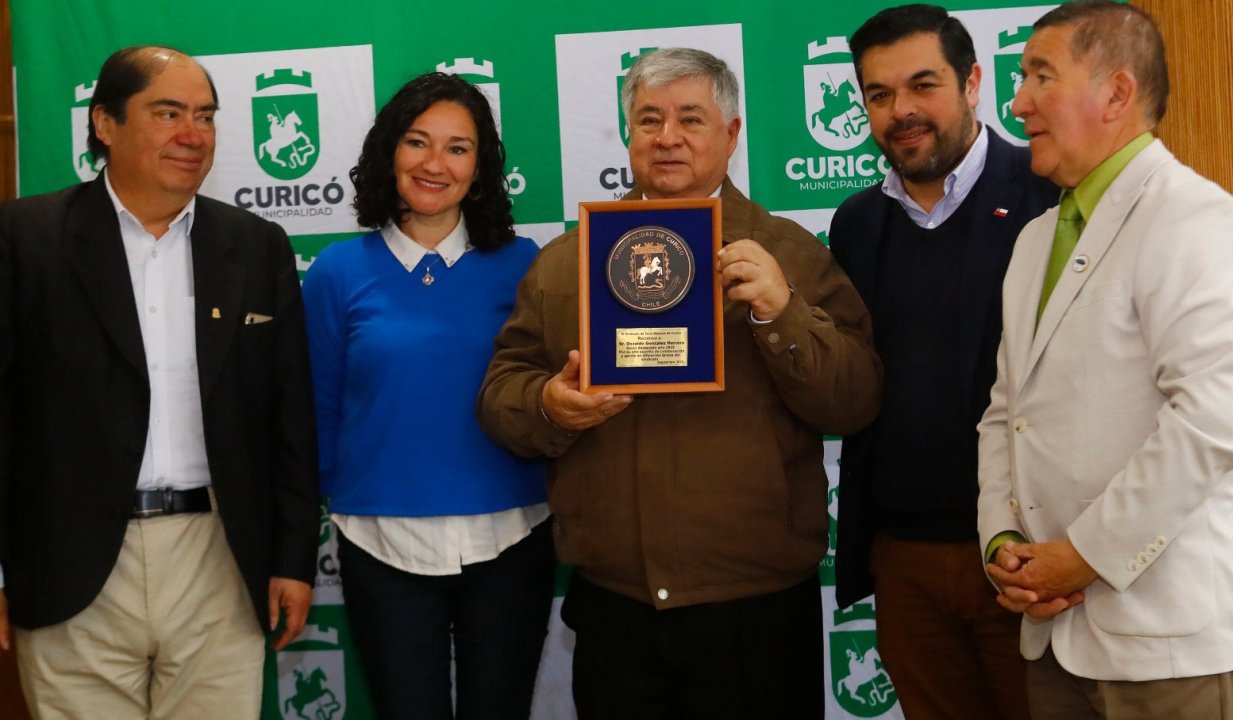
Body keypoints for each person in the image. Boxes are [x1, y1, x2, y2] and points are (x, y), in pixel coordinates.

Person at [478, 47, 882, 719]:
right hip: (615, 609)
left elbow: (855, 400)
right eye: (649, 120)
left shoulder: (791, 255)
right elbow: (501, 395)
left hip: (755, 611)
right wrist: (549, 405)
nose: (668, 137)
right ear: (629, 135)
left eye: (691, 119)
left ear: (731, 134)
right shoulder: (567, 263)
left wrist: (782, 313)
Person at [0, 45, 319, 718]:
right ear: (104, 123)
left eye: (205, 116)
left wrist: (293, 559)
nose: (192, 135)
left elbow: (288, 416)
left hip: (219, 560)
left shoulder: (256, 245)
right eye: (168, 113)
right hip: (68, 562)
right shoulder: (24, 238)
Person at [976, 3, 1233, 718]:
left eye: (1041, 76)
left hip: (1170, 639)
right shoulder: (1035, 240)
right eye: (1021, 79)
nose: (1018, 104)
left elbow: (1213, 423)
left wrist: (1083, 556)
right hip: (1055, 636)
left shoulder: (1194, 218)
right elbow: (1006, 413)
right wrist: (1003, 543)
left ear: (1116, 93)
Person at [301, 72, 552, 720]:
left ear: (481, 167)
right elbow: (321, 412)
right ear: (389, 152)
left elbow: (544, 394)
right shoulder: (336, 272)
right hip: (379, 544)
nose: (435, 163)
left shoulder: (526, 264)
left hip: (512, 538)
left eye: (457, 148)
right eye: (417, 141)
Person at [829, 6, 1056, 719]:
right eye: (879, 94)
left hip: (1032, 557)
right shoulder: (856, 223)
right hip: (904, 560)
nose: (901, 110)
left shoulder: (1049, 195)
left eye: (922, 85)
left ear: (972, 83)